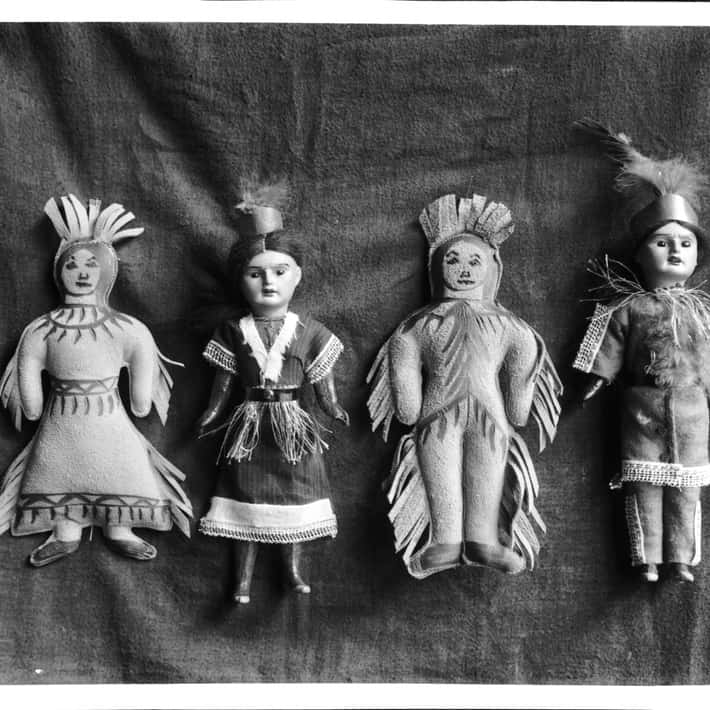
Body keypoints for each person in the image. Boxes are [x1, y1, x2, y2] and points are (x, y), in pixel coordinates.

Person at [367, 192, 561, 579]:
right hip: (436, 418)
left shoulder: (507, 325)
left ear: (492, 269)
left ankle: (482, 541)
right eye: (452, 260)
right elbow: (404, 371)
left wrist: (520, 396)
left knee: (486, 470)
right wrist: (407, 395)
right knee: (440, 474)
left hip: (489, 419)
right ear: (436, 267)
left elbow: (523, 360)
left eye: (475, 261)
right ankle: (444, 541)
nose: (465, 270)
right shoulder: (420, 326)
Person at [0, 194, 192, 567]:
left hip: (105, 420)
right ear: (59, 272)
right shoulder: (40, 330)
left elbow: (141, 398)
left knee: (121, 467)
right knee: (57, 468)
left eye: (92, 265)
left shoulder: (126, 328)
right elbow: (30, 394)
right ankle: (64, 532)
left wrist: (141, 394)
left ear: (106, 272)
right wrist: (31, 402)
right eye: (72, 265)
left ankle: (120, 528)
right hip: (63, 423)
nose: (82, 273)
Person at [196, 184, 348, 603]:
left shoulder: (310, 330)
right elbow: (223, 380)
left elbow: (322, 379)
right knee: (244, 495)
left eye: (280, 272)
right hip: (248, 426)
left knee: (295, 493)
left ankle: (293, 570)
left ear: (298, 275)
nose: (268, 282)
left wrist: (332, 405)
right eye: (255, 274)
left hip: (293, 427)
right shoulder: (232, 331)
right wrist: (211, 411)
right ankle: (242, 579)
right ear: (240, 280)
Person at [574, 121, 710, 583]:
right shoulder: (629, 307)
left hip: (692, 415)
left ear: (697, 256)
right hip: (641, 412)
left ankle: (681, 558)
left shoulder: (701, 313)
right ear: (639, 253)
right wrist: (596, 377)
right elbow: (608, 343)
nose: (674, 252)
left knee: (687, 492)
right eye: (662, 242)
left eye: (685, 244)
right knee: (644, 488)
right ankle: (647, 558)